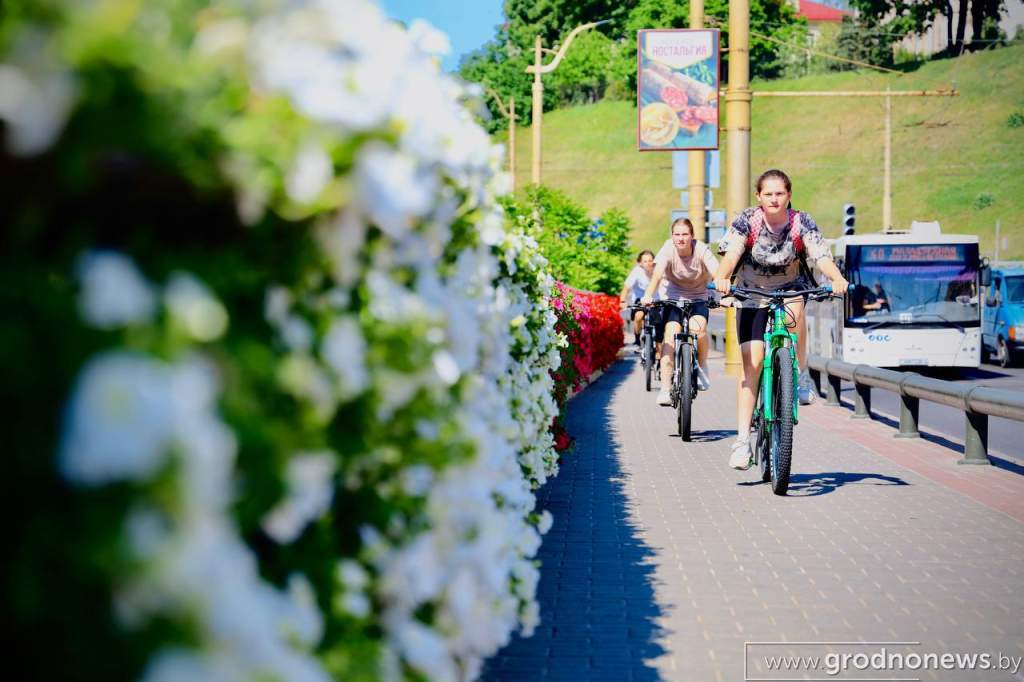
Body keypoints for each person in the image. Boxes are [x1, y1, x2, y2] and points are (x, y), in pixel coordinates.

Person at [711, 169, 849, 470]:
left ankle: (798, 375)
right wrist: (721, 279)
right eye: (768, 193)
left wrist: (837, 278)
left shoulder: (801, 222)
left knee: (795, 313)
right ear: (759, 196)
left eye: (780, 193)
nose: (774, 198)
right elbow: (732, 255)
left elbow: (820, 256)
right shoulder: (747, 221)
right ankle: (742, 442)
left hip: (790, 288)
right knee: (754, 363)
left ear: (789, 195)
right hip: (750, 292)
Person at [640, 217, 718, 406]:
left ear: (692, 236)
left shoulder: (701, 249)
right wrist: (648, 295)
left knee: (698, 330)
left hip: (698, 296)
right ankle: (666, 388)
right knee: (670, 335)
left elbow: (717, 271)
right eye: (677, 234)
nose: (681, 238)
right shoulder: (667, 249)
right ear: (672, 236)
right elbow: (657, 275)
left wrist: (725, 289)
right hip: (673, 298)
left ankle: (702, 364)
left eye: (685, 234)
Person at [620, 250, 658, 350]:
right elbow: (626, 288)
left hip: (655, 300)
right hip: (639, 300)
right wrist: (622, 301)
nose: (648, 263)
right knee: (639, 316)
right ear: (640, 263)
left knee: (659, 321)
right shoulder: (637, 271)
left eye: (650, 260)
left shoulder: (658, 270)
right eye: (645, 261)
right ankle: (637, 339)